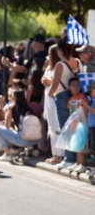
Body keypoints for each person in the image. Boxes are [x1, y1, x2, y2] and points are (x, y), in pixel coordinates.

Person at [48, 37, 83, 169]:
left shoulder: (60, 65)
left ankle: (69, 158)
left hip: (62, 97)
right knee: (75, 127)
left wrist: (50, 95)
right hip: (76, 97)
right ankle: (76, 158)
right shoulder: (78, 62)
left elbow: (55, 84)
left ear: (61, 50)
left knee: (66, 128)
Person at [0, 91, 39, 161]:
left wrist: (9, 111)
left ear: (15, 98)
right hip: (34, 140)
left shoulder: (13, 108)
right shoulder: (29, 108)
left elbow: (7, 126)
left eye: (11, 96)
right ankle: (31, 147)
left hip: (22, 140)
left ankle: (7, 154)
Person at [42, 44, 63, 164]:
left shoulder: (59, 67)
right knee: (51, 129)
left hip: (55, 100)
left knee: (57, 128)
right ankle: (55, 154)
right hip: (48, 101)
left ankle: (60, 155)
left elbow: (59, 83)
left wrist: (49, 81)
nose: (48, 57)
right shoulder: (49, 67)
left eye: (50, 54)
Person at [65, 77, 89, 173]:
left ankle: (82, 164)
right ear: (69, 87)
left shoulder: (82, 97)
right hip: (74, 124)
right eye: (74, 85)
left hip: (81, 124)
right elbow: (70, 112)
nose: (76, 87)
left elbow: (86, 110)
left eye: (78, 85)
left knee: (81, 144)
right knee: (76, 144)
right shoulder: (70, 99)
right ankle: (78, 163)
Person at [80, 81, 95, 176]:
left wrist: (86, 106)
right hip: (92, 127)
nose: (90, 94)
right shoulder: (93, 101)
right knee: (93, 149)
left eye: (91, 92)